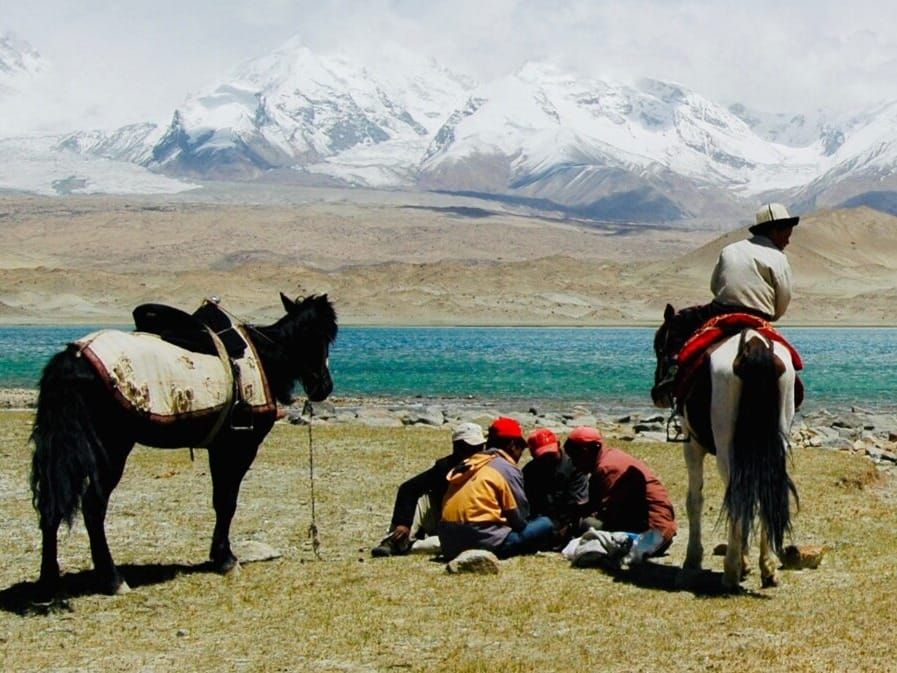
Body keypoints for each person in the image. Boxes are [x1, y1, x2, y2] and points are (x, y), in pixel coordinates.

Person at [653, 202, 799, 400]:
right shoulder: (779, 258)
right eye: (787, 234)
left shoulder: (730, 250)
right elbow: (783, 297)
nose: (788, 240)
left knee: (677, 323)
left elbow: (715, 285)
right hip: (760, 315)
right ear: (775, 230)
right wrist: (773, 315)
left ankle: (671, 373)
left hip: (721, 311)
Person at [438, 417, 554, 560]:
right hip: (483, 542)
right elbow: (520, 520)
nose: (520, 455)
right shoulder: (507, 469)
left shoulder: (469, 463)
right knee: (546, 522)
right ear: (512, 445)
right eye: (520, 448)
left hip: (448, 544)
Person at [371, 422, 486, 557]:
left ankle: (409, 546)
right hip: (443, 521)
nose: (473, 453)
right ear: (456, 447)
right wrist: (404, 523)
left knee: (460, 543)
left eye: (478, 448)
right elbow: (409, 488)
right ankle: (395, 539)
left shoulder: (487, 467)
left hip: (472, 525)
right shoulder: (444, 467)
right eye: (468, 448)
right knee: (423, 498)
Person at [563, 426, 676, 560]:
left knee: (585, 523)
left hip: (650, 538)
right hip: (659, 531)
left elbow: (606, 514)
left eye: (576, 456)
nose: (574, 464)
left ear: (592, 449)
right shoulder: (610, 457)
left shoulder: (606, 469)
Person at [522, 427, 589, 548]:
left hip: (569, 519)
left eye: (551, 454)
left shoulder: (575, 466)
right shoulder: (529, 471)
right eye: (543, 456)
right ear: (532, 454)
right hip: (541, 519)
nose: (547, 459)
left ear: (558, 445)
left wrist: (566, 527)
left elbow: (577, 504)